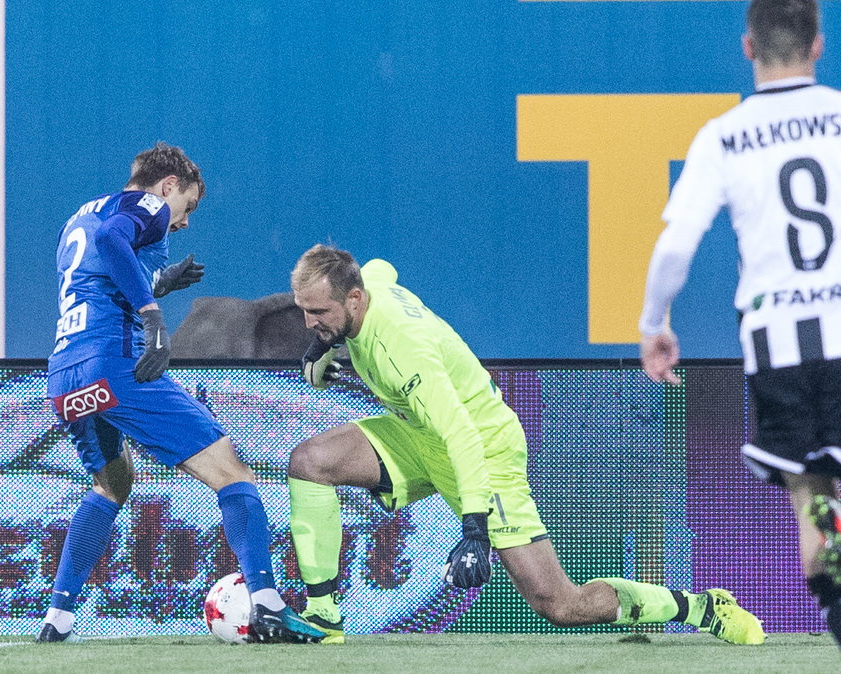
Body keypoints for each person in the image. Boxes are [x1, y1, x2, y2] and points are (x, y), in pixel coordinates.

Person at [637, 2, 841, 672]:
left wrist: (654, 325)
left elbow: (675, 245)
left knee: (813, 501)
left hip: (774, 344)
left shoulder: (724, 134)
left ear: (748, 46)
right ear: (818, 45)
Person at [286, 244, 766, 645]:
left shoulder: (403, 350)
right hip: (419, 435)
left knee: (561, 605)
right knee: (310, 461)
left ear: (354, 299)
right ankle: (322, 615)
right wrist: (324, 344)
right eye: (304, 311)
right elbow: (381, 267)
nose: (309, 323)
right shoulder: (369, 286)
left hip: (484, 451)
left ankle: (699, 607)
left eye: (318, 313)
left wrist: (475, 532)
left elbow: (463, 437)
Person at [38, 142, 323, 644]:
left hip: (65, 374)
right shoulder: (147, 204)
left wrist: (160, 281)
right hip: (116, 362)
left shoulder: (79, 216)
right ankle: (268, 605)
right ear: (168, 185)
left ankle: (56, 620)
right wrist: (152, 315)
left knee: (112, 485)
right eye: (187, 206)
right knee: (233, 474)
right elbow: (113, 241)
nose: (185, 221)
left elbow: (99, 268)